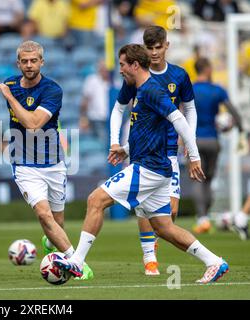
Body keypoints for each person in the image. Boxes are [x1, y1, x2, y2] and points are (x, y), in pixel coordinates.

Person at [53, 44, 229, 284]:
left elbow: (179, 119)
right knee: (164, 228)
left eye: (123, 65)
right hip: (153, 168)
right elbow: (149, 131)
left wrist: (194, 155)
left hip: (149, 168)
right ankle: (214, 262)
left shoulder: (151, 91)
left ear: (135, 65)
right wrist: (125, 149)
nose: (121, 70)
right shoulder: (140, 89)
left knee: (95, 199)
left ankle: (77, 262)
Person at [0, 40, 93, 280]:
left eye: (33, 60)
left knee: (57, 221)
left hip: (53, 163)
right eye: (24, 61)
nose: (29, 65)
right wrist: (10, 93)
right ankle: (76, 262)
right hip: (25, 165)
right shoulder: (10, 83)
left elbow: (33, 124)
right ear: (18, 63)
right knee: (43, 214)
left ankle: (51, 243)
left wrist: (9, 97)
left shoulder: (52, 90)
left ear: (42, 62)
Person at [110, 26, 197, 276]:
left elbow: (189, 110)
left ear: (167, 46)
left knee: (169, 213)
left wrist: (189, 141)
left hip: (169, 149)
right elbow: (119, 109)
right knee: (144, 206)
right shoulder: (136, 76)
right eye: (150, 48)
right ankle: (150, 258)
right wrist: (117, 143)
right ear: (144, 50)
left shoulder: (179, 76)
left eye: (159, 47)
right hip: (144, 151)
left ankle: (156, 246)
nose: (155, 52)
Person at [191, 57, 244, 234]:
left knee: (198, 179)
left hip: (195, 140)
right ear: (206, 69)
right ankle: (205, 216)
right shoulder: (217, 90)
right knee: (209, 179)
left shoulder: (190, 89)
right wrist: (236, 128)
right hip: (213, 141)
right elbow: (235, 114)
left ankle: (203, 218)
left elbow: (180, 112)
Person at [80, 59, 111, 142]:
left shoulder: (115, 81)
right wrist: (83, 118)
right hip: (96, 118)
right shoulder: (92, 80)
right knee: (103, 141)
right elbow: (85, 100)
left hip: (111, 119)